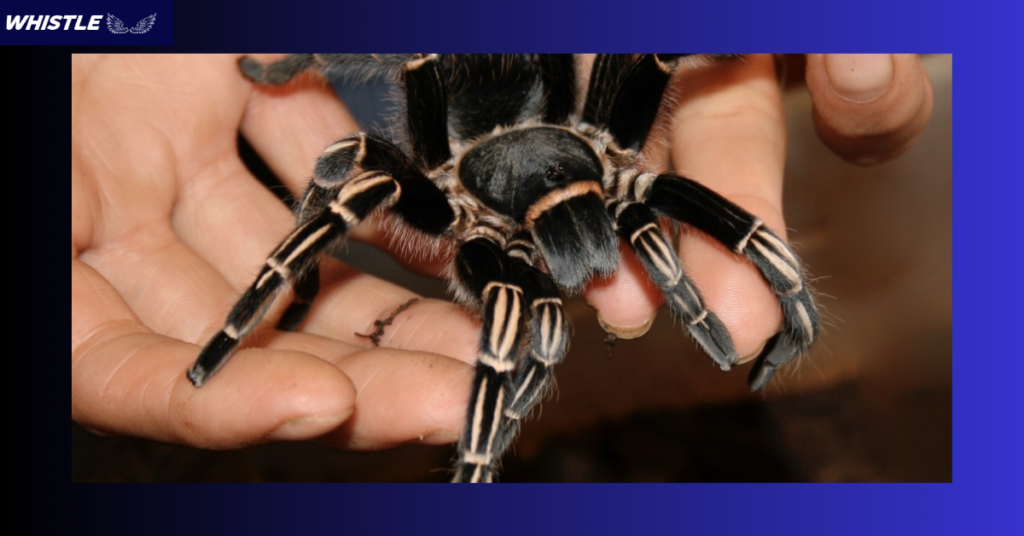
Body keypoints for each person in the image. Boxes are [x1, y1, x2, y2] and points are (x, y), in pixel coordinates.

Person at [71, 54, 934, 452]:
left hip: (581, 139)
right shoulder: (454, 211)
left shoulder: (615, 164)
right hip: (463, 175)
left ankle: (789, 325)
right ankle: (477, 470)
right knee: (364, 171)